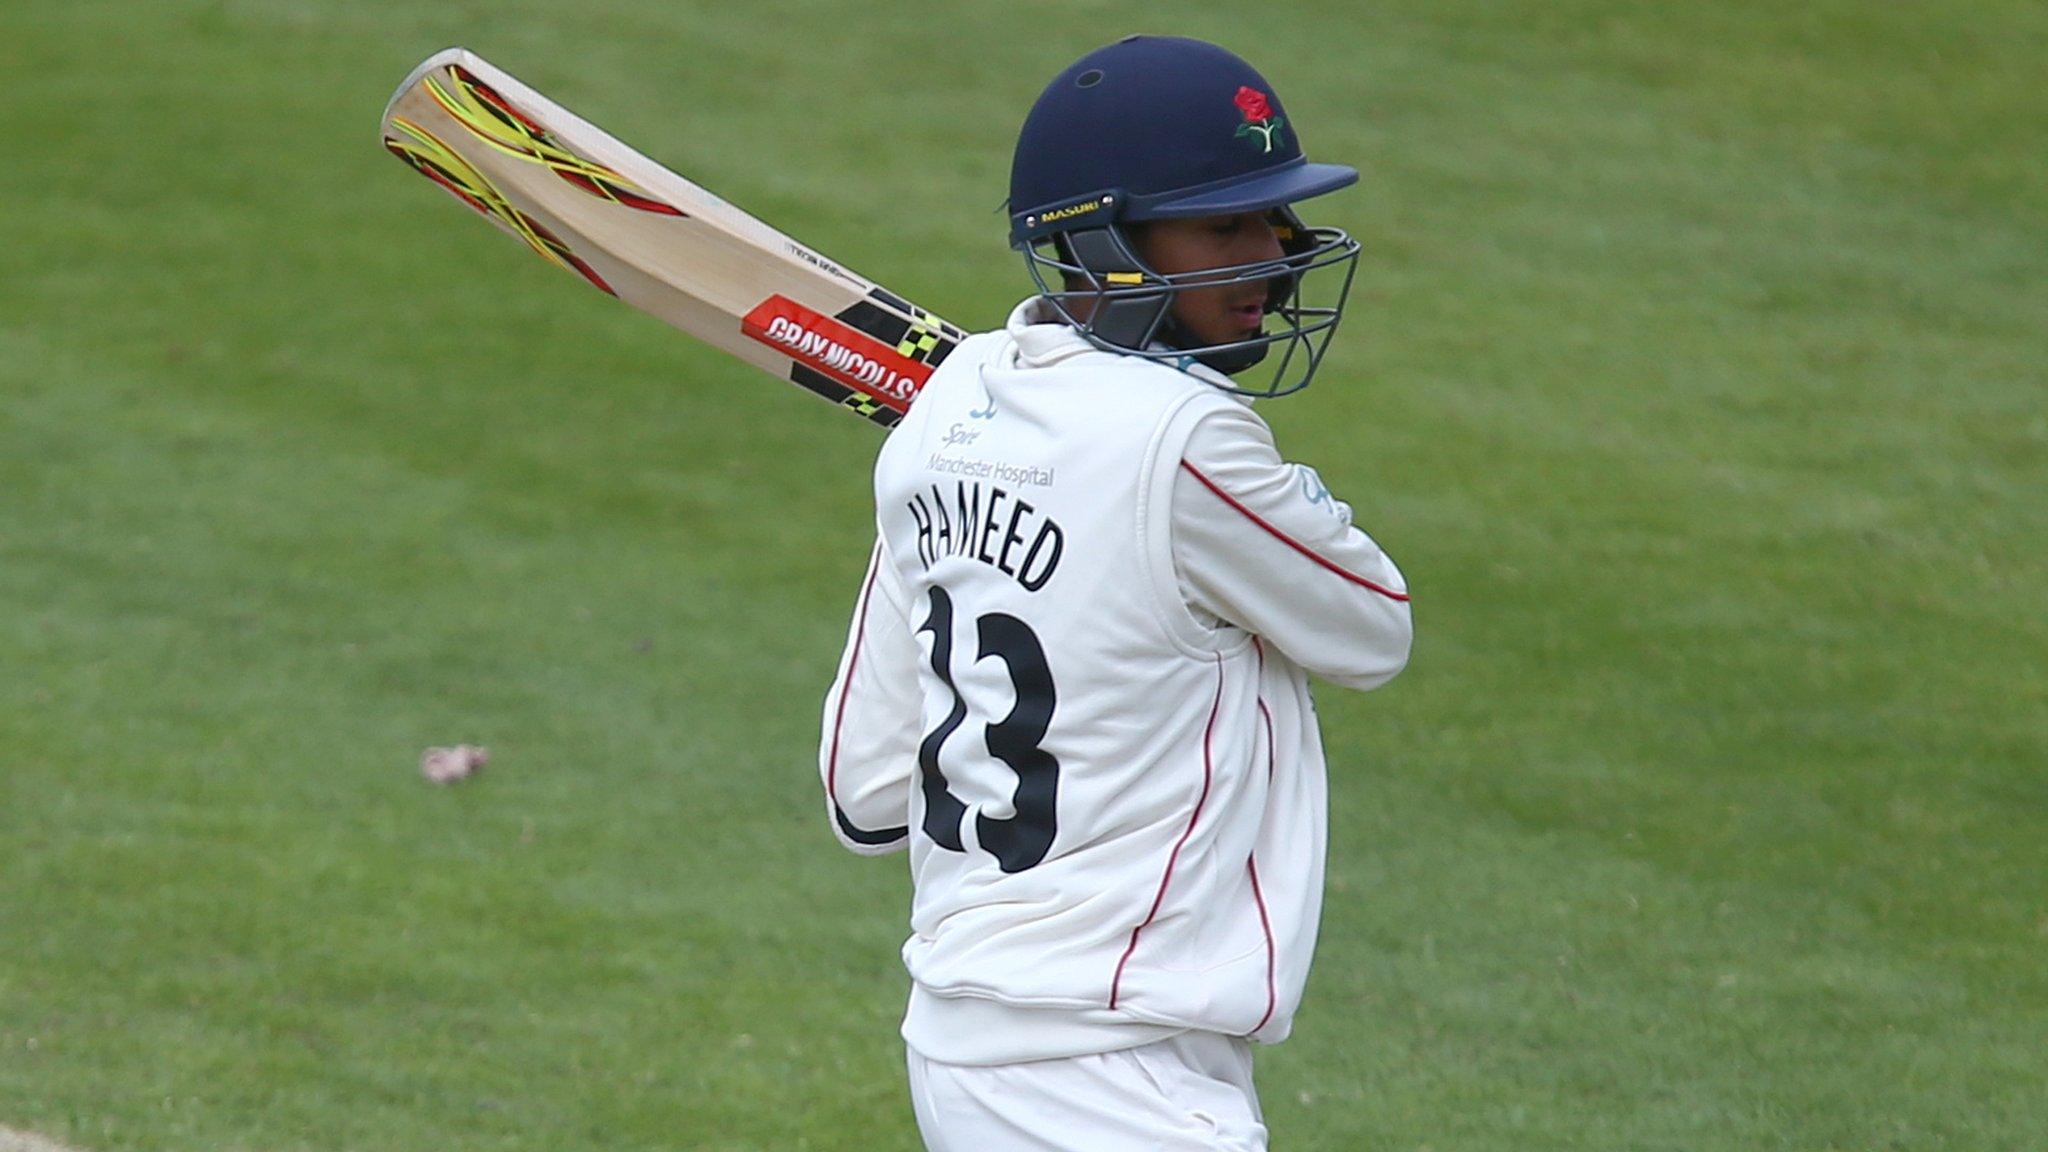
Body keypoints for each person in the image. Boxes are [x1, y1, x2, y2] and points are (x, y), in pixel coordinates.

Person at [818, 35, 1412, 1151]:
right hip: (1109, 1063)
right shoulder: (1189, 443)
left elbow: (864, 793)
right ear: (1099, 241)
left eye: (1273, 221)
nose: (1275, 259)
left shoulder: (940, 425)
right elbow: (1370, 628)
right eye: (1225, 225)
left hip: (962, 1040)